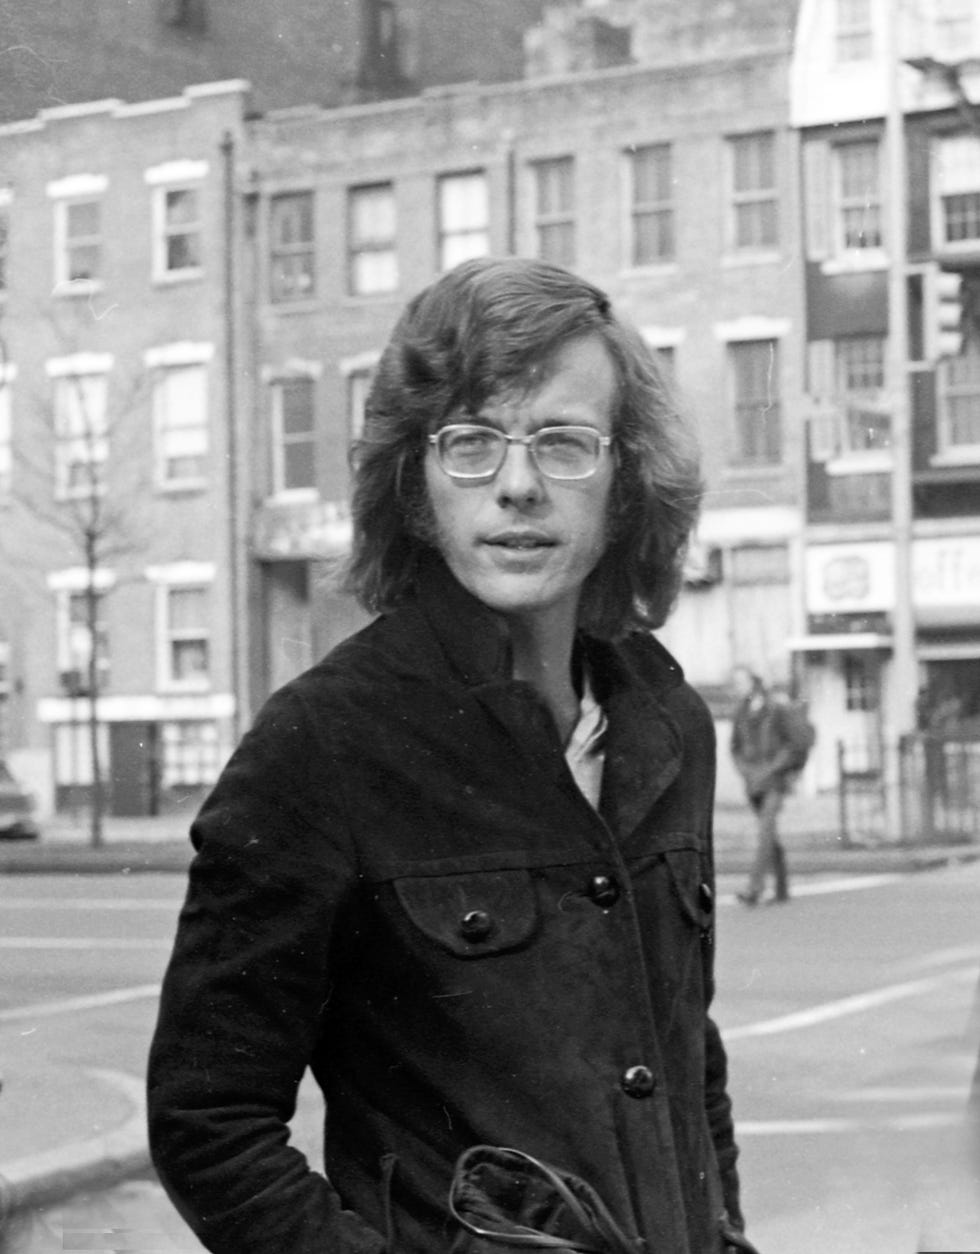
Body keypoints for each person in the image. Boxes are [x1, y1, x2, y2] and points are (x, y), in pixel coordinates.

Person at [147, 257, 754, 1254]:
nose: (516, 486)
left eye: (563, 444)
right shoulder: (323, 744)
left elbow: (687, 1062)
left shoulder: (664, 719)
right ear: (418, 488)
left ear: (624, 481)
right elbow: (207, 1122)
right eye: (470, 444)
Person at [730, 666, 796, 906]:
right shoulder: (740, 712)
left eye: (740, 681)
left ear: (753, 682)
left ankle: (754, 889)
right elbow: (735, 748)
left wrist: (773, 768)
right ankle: (782, 888)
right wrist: (745, 771)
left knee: (765, 831)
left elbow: (790, 745)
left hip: (774, 781)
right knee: (769, 835)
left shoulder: (776, 708)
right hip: (753, 782)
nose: (737, 687)